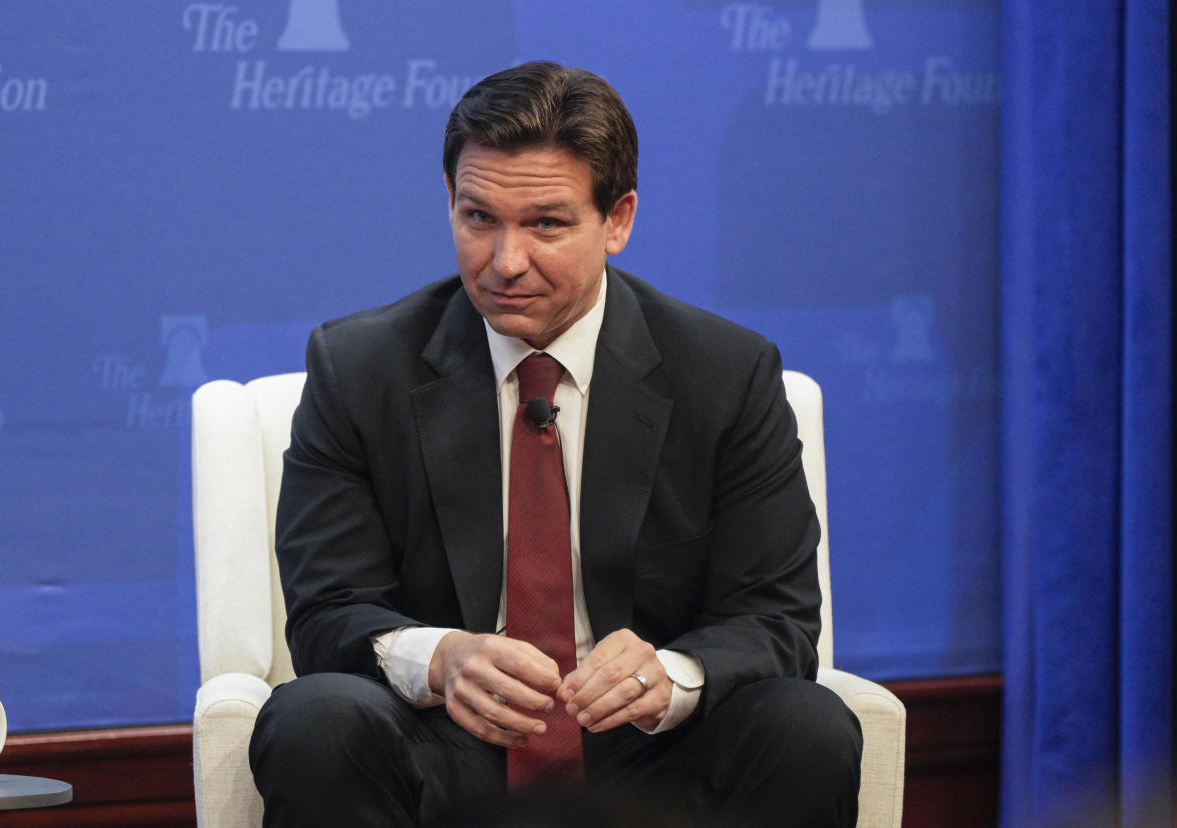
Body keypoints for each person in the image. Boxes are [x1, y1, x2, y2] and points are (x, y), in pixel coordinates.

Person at [249, 61, 862, 827]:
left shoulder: (727, 375)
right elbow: (327, 612)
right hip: (448, 743)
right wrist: (439, 659)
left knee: (805, 726)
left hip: (647, 752)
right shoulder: (358, 369)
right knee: (314, 718)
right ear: (449, 203)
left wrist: (671, 675)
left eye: (545, 223)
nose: (505, 262)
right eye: (479, 219)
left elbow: (777, 619)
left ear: (618, 219)